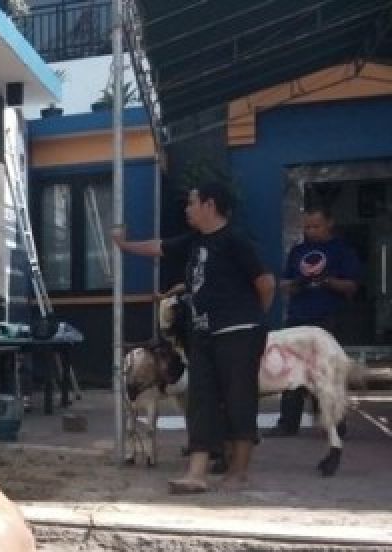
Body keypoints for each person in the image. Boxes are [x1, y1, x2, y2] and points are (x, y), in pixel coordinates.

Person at [113, 182, 275, 493]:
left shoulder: (235, 241)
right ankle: (196, 473)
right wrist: (124, 246)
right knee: (200, 402)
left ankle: (238, 472)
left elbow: (265, 283)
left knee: (238, 401)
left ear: (209, 205)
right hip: (202, 334)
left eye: (191, 203)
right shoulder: (195, 242)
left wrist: (252, 320)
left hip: (238, 335)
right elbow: (159, 247)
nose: (187, 209)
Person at [269, 207, 360, 436]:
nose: (310, 231)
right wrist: (295, 284)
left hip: (328, 318)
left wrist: (328, 281)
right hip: (298, 319)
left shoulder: (342, 251)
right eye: (306, 227)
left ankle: (333, 423)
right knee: (291, 372)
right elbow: (284, 283)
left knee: (327, 372)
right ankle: (288, 424)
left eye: (315, 226)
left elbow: (351, 286)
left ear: (329, 223)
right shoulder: (298, 251)